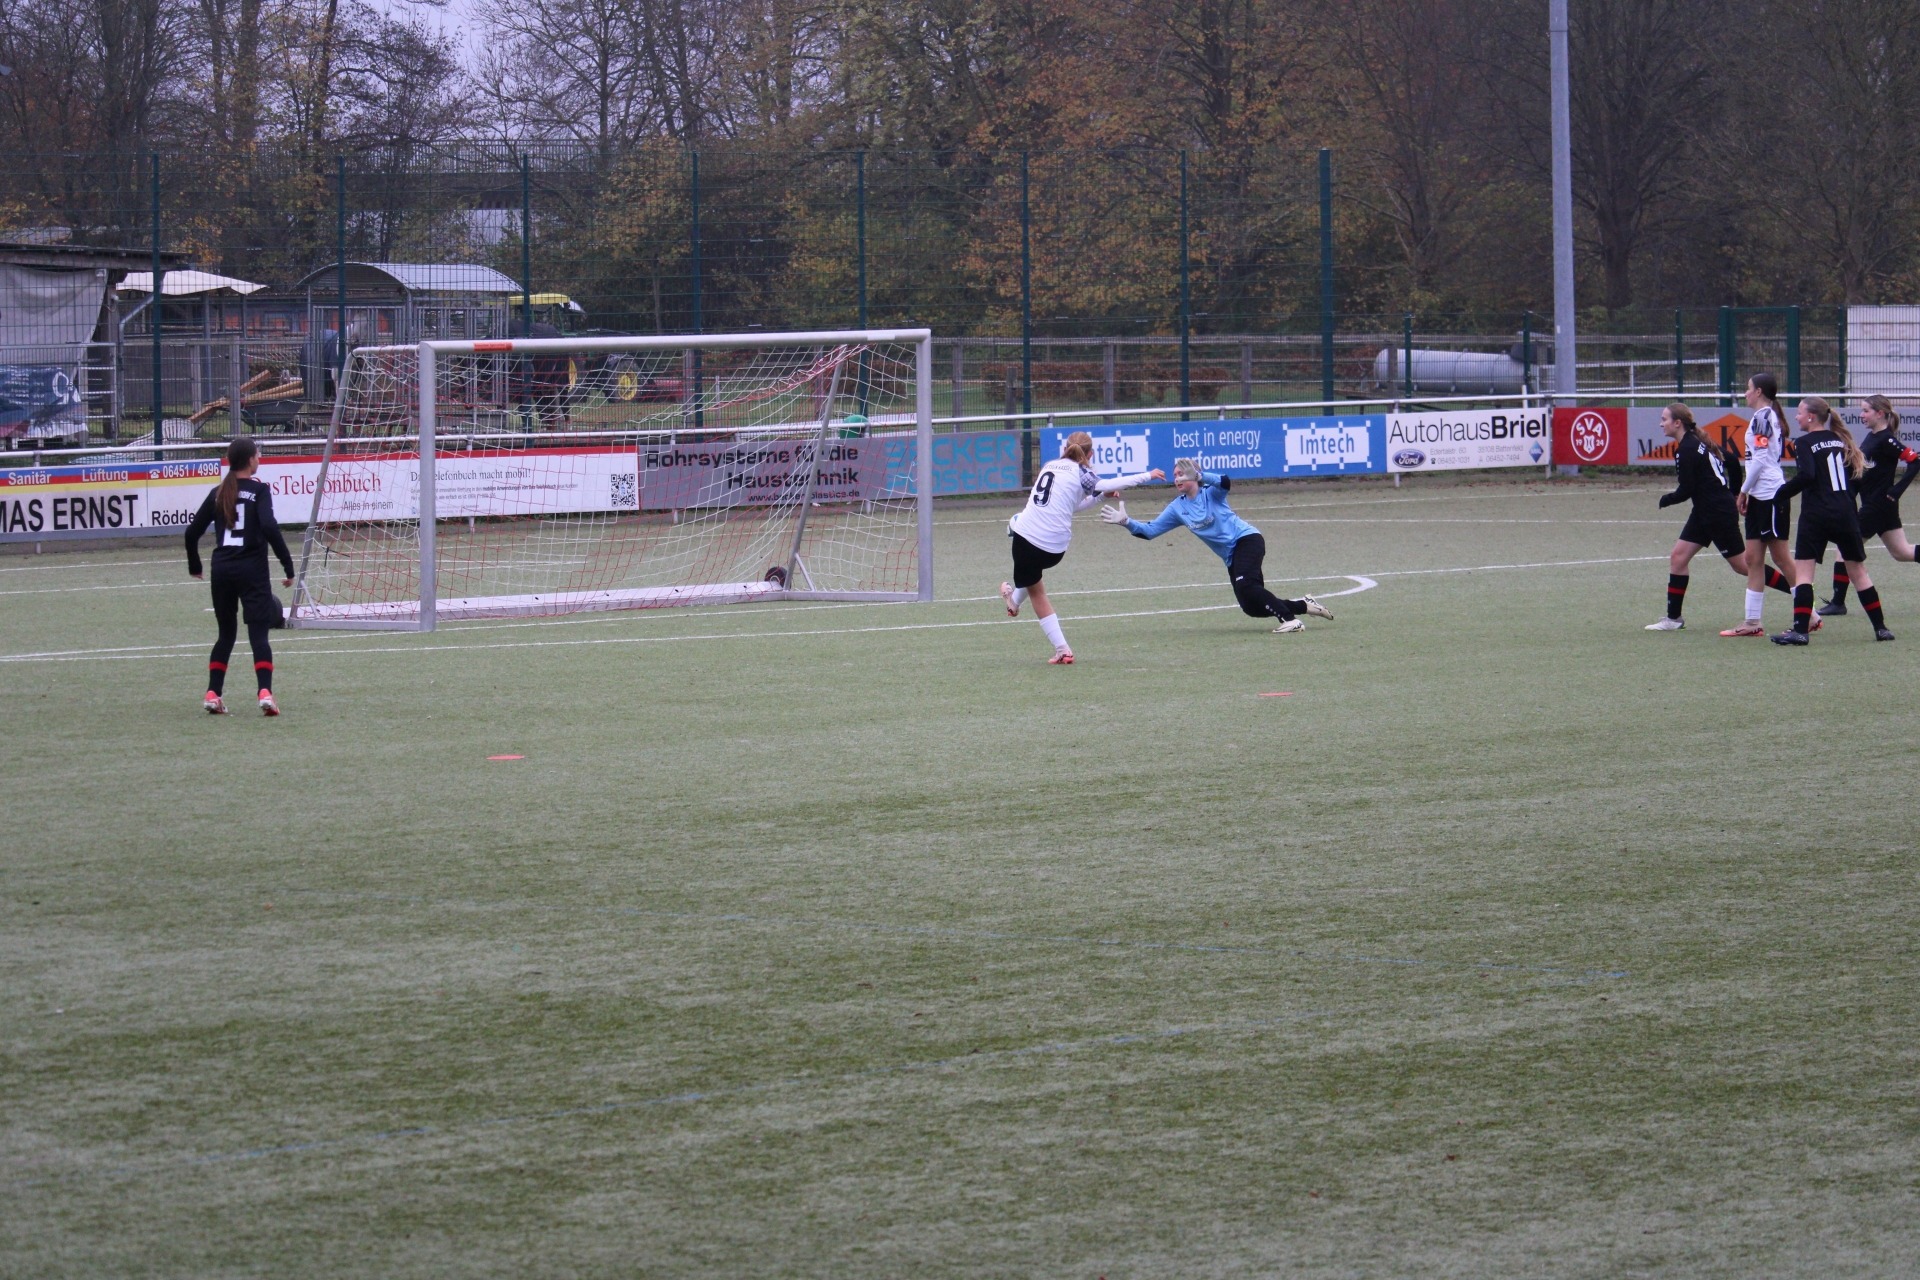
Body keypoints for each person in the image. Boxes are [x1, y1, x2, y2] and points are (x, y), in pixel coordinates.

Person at [1100, 457, 1333, 633]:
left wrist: (1201, 475)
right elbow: (1150, 532)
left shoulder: (1211, 493)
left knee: (1248, 586)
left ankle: (1290, 620)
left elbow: (1225, 482)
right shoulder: (1177, 507)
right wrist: (1127, 523)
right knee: (1251, 607)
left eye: (1182, 473)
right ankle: (1304, 605)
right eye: (1175, 474)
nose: (1177, 478)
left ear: (1194, 476)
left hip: (1247, 540)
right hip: (1231, 556)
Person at [1000, 430, 1163, 663]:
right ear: (1091, 454)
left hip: (1026, 539)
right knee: (1032, 575)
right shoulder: (1083, 473)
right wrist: (1107, 493)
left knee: (1036, 590)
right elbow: (1078, 502)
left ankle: (1062, 649)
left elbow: (1100, 487)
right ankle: (1013, 603)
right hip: (1056, 550)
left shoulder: (1050, 465)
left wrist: (1145, 476)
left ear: (1064, 449)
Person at [185, 436, 294, 713]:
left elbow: (191, 533)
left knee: (225, 635)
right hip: (252, 571)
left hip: (221, 570)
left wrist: (195, 566)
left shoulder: (218, 492)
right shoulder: (259, 490)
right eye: (258, 454)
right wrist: (287, 565)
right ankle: (265, 693)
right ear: (249, 460)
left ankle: (213, 694)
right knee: (258, 635)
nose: (259, 458)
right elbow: (269, 527)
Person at [1771, 396, 1891, 644]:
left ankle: (1800, 632)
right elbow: (1857, 478)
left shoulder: (1803, 442)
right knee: (1859, 572)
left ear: (1811, 417)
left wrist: (1779, 494)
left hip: (1816, 514)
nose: (1797, 417)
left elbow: (1807, 475)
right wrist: (1844, 499)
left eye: (1800, 413)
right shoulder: (1841, 440)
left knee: (1804, 574)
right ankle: (1881, 629)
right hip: (1845, 512)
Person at [1648, 403, 1775, 631]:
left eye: (1664, 419)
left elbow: (1686, 489)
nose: (1661, 423)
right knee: (1678, 558)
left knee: (1745, 566)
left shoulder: (1687, 448)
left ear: (1677, 423)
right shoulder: (1698, 442)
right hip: (1705, 511)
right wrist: (1734, 494)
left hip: (1717, 513)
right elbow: (1732, 461)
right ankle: (1673, 619)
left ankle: (1800, 593)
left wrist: (1667, 499)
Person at [1818, 393, 1919, 616]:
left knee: (1843, 549)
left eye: (1866, 411)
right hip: (1880, 506)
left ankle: (1838, 602)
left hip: (1877, 506)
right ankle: (1838, 602)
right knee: (1901, 552)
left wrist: (1896, 490)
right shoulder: (1872, 437)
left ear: (1879, 413)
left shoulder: (1886, 439)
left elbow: (1915, 461)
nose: (1861, 415)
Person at [1724, 374, 1800, 636]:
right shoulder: (1763, 417)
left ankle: (1808, 613)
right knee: (1752, 558)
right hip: (1760, 496)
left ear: (1758, 392)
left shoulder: (1763, 417)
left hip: (1770, 496)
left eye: (1747, 389)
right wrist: (1749, 492)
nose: (1745, 393)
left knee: (1781, 558)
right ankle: (1752, 622)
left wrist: (1742, 491)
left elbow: (1758, 460)